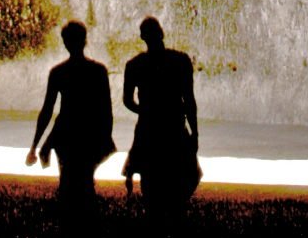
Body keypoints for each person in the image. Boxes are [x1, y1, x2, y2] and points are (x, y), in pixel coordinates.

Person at [26, 20, 115, 208]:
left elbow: (48, 111)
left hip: (65, 135)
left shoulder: (59, 72)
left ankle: (69, 224)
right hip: (89, 133)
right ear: (85, 41)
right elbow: (106, 110)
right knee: (85, 180)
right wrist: (105, 137)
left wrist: (36, 144)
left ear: (65, 42)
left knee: (67, 180)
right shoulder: (98, 71)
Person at [122, 17, 201, 211]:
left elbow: (127, 100)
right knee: (186, 174)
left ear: (142, 37)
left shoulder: (135, 65)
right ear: (162, 33)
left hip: (148, 127)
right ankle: (173, 212)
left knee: (151, 178)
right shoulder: (181, 61)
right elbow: (189, 100)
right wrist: (195, 132)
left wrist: (145, 111)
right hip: (173, 125)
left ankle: (158, 217)